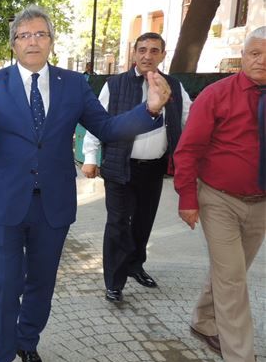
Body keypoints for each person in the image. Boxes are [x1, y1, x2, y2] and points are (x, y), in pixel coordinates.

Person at [0, 5, 173, 362]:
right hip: (3, 205)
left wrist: (150, 110)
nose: (32, 41)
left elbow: (106, 128)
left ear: (51, 41)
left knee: (42, 281)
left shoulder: (73, 84)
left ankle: (27, 342)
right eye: (24, 35)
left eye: (40, 34)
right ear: (14, 44)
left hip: (52, 203)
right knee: (2, 284)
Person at [173, 26, 266, 362]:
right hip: (219, 199)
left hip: (260, 204)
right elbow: (188, 149)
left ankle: (202, 321)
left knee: (233, 271)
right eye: (255, 53)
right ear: (243, 58)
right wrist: (187, 198)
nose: (262, 61)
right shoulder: (216, 95)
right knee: (233, 279)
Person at [81, 32, 192, 303]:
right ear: (134, 53)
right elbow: (99, 121)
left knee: (143, 223)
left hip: (154, 169)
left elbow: (190, 121)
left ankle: (135, 265)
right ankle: (114, 282)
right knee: (118, 224)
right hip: (120, 166)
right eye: (142, 50)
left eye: (154, 51)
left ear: (163, 55)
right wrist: (91, 157)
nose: (147, 55)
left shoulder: (174, 87)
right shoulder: (115, 85)